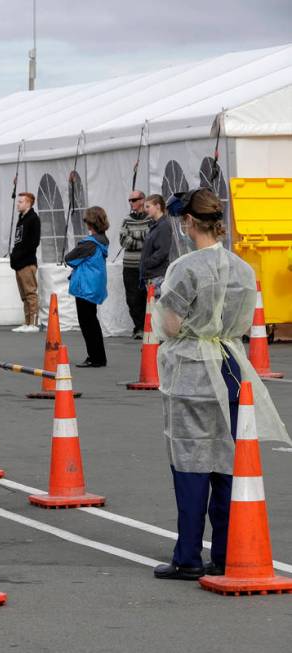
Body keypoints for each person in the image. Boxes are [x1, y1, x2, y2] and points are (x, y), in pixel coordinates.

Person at [151, 188, 289, 580]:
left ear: (189, 222)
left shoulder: (186, 267)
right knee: (227, 461)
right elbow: (244, 321)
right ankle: (227, 551)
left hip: (193, 366)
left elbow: (171, 322)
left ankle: (188, 555)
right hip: (231, 364)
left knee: (191, 461)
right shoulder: (243, 269)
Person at [64, 206, 109, 368]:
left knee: (87, 323)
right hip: (95, 284)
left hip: (85, 286)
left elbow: (69, 258)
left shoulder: (89, 243)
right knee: (92, 321)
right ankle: (98, 356)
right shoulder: (103, 240)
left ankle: (95, 357)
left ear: (91, 223)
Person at [118, 190, 153, 338]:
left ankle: (148, 327)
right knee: (132, 298)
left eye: (134, 200)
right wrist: (142, 239)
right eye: (130, 200)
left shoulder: (150, 219)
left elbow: (151, 239)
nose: (131, 203)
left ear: (142, 200)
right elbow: (123, 241)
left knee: (148, 296)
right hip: (130, 266)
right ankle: (138, 327)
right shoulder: (126, 220)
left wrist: (134, 238)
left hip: (147, 265)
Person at [10, 191, 41, 332]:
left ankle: (34, 323)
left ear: (28, 203)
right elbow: (18, 242)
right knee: (24, 295)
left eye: (21, 201)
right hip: (19, 263)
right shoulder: (21, 218)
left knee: (30, 293)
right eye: (18, 201)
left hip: (27, 263)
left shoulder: (33, 218)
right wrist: (14, 258)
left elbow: (33, 243)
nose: (18, 204)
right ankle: (27, 321)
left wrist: (20, 257)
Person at [139, 193, 174, 297]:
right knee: (153, 310)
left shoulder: (163, 226)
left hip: (157, 276)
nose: (146, 210)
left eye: (148, 206)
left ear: (158, 206)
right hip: (152, 276)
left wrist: (146, 263)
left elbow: (162, 251)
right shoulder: (155, 225)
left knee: (157, 310)